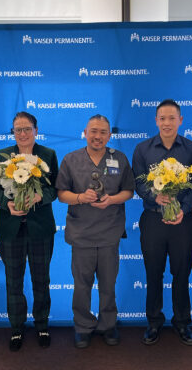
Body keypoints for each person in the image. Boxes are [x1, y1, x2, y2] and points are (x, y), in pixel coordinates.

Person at [56, 114, 134, 348]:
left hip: (110, 233)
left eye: (103, 132)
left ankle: (108, 325)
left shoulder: (119, 158)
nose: (98, 136)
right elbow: (61, 194)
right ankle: (83, 326)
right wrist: (80, 197)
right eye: (93, 131)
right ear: (85, 132)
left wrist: (111, 200)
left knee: (108, 284)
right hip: (82, 234)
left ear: (109, 135)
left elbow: (128, 191)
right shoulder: (71, 159)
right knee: (82, 285)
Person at [132, 100, 192, 346]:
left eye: (172, 118)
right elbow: (139, 183)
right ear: (156, 120)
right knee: (153, 273)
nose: (167, 123)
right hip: (152, 220)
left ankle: (182, 323)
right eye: (162, 118)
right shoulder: (142, 149)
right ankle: (154, 322)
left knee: (181, 273)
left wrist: (183, 209)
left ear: (180, 120)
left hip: (183, 222)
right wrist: (155, 195)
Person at [0, 112, 58, 351]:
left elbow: (55, 189)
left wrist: (40, 197)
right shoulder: (2, 156)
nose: (22, 134)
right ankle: (17, 329)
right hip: (11, 230)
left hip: (40, 229)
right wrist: (6, 204)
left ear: (36, 130)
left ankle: (42, 325)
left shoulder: (47, 155)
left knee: (42, 280)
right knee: (13, 281)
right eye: (17, 130)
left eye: (27, 129)